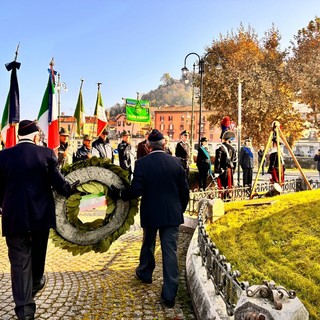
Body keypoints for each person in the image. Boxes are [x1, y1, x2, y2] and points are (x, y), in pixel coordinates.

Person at [0, 120, 77, 320]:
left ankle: (24, 311)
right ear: (36, 137)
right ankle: (34, 285)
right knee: (37, 260)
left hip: (14, 218)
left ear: (19, 137)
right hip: (40, 218)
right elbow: (60, 185)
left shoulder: (3, 156)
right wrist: (73, 188)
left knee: (19, 264)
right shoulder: (46, 154)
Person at [116, 129, 189, 308]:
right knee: (169, 251)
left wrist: (119, 193)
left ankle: (145, 273)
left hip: (151, 212)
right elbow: (184, 191)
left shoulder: (141, 164)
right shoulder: (176, 163)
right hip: (172, 214)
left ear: (148, 147)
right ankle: (170, 294)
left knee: (148, 243)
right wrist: (180, 209)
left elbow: (136, 191)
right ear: (164, 145)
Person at [214, 130, 237, 198]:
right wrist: (233, 170)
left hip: (222, 170)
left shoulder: (220, 148)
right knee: (229, 185)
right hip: (230, 170)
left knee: (222, 186)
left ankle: (223, 197)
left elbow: (218, 160)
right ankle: (228, 196)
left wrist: (217, 171)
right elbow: (235, 161)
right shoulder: (233, 149)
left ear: (223, 139)